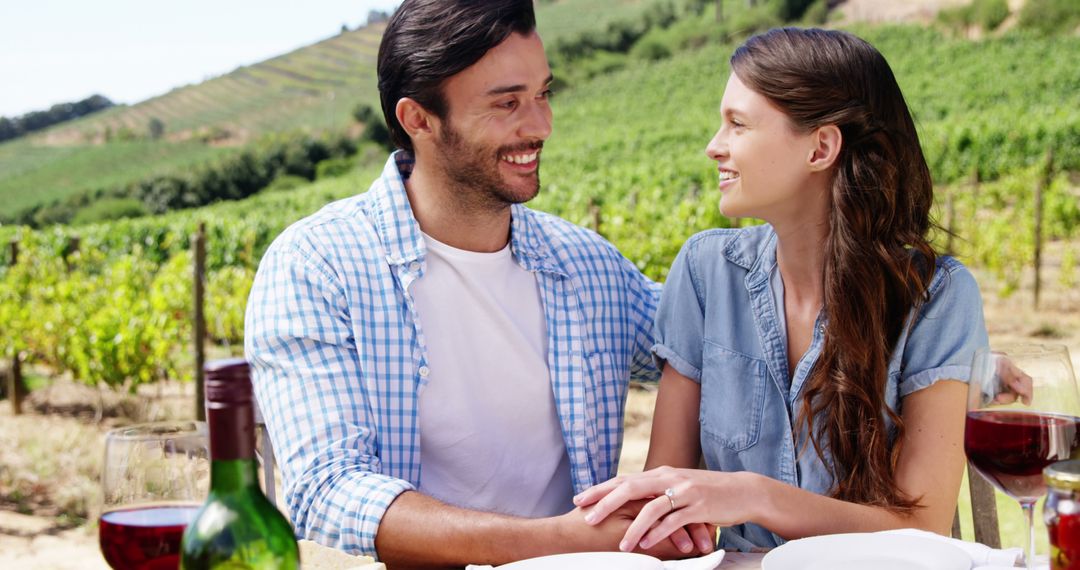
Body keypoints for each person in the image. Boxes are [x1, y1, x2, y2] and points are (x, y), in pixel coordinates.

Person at [244, 0, 709, 566]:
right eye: (506, 102)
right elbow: (329, 493)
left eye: (543, 94)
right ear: (418, 119)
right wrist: (569, 539)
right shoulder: (317, 267)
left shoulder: (590, 266)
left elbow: (711, 348)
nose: (539, 125)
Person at [573, 27, 989, 553]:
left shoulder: (938, 299)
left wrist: (752, 495)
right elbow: (668, 500)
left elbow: (921, 528)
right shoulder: (705, 273)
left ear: (821, 147)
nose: (713, 146)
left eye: (737, 125)